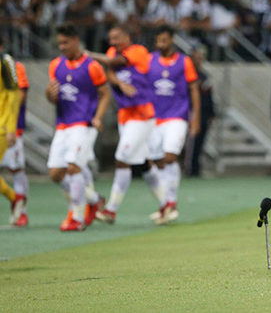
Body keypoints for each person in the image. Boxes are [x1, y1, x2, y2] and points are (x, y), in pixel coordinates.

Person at [46, 25, 111, 231]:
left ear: (76, 40)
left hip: (84, 124)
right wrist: (50, 95)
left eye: (65, 42)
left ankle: (77, 217)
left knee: (73, 168)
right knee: (56, 173)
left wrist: (99, 118)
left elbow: (105, 94)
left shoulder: (92, 66)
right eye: (60, 43)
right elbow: (53, 97)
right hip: (63, 124)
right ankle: (93, 199)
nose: (62, 47)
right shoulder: (55, 65)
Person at [89, 24, 156, 223]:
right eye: (111, 39)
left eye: (116, 38)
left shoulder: (138, 51)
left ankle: (111, 209)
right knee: (143, 161)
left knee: (122, 158)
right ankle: (167, 203)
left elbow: (112, 62)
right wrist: (119, 83)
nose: (113, 43)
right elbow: (110, 69)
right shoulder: (111, 52)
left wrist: (88, 54)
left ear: (127, 37)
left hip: (142, 113)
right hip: (125, 115)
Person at [145, 25, 200, 224]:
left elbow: (194, 89)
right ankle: (165, 205)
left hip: (177, 117)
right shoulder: (149, 60)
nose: (161, 44)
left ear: (172, 40)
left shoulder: (184, 62)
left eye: (164, 40)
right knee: (155, 161)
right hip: (153, 119)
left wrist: (196, 118)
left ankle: (172, 203)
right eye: (158, 40)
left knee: (170, 156)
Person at [1, 60, 28, 227]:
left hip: (5, 127)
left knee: (16, 169)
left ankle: (21, 211)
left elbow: (19, 95)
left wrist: (12, 127)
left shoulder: (10, 64)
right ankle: (15, 198)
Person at [186, 46, 215, 177]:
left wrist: (212, 113)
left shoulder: (204, 76)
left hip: (204, 113)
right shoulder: (186, 75)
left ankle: (196, 169)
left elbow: (209, 96)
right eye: (197, 57)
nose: (199, 60)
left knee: (200, 142)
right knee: (192, 142)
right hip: (191, 112)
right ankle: (190, 169)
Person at [0, 40, 21, 223]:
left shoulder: (4, 60)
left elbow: (14, 95)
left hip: (2, 125)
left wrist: (11, 128)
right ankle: (15, 199)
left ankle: (15, 198)